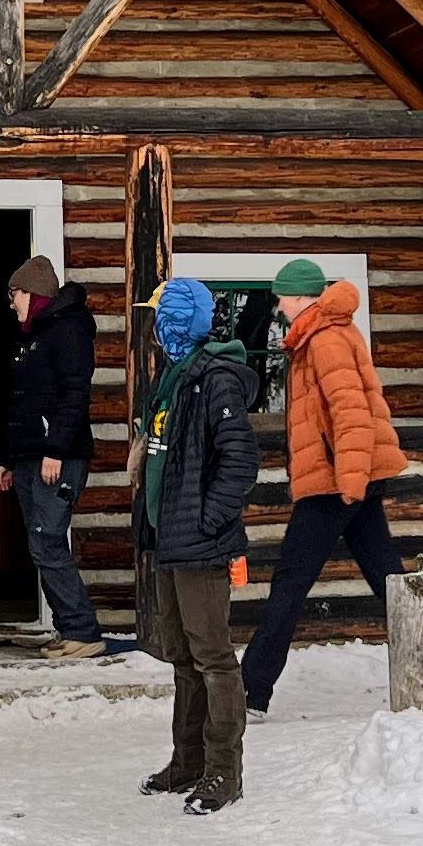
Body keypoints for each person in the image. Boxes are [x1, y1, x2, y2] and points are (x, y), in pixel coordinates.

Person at [241, 257, 405, 714]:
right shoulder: (321, 335)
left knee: (290, 583)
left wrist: (350, 483)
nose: (277, 306)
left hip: (339, 482)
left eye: (281, 297)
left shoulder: (326, 339)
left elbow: (351, 414)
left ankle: (250, 691)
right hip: (351, 479)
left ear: (299, 297)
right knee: (389, 579)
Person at [131, 272, 261, 814]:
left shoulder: (215, 379)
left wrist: (208, 520)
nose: (155, 329)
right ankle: (186, 763)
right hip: (169, 539)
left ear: (179, 322)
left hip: (200, 541)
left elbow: (240, 461)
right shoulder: (173, 377)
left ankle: (222, 773)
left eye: (161, 318)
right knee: (182, 654)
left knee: (213, 657)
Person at [0, 257, 102, 656]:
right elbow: (20, 404)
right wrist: (8, 458)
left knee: (48, 540)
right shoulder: (31, 335)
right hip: (28, 457)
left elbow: (75, 396)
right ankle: (68, 628)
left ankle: (83, 632)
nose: (11, 302)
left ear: (33, 294)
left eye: (14, 293)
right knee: (40, 544)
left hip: (58, 458)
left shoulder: (69, 331)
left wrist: (56, 450)